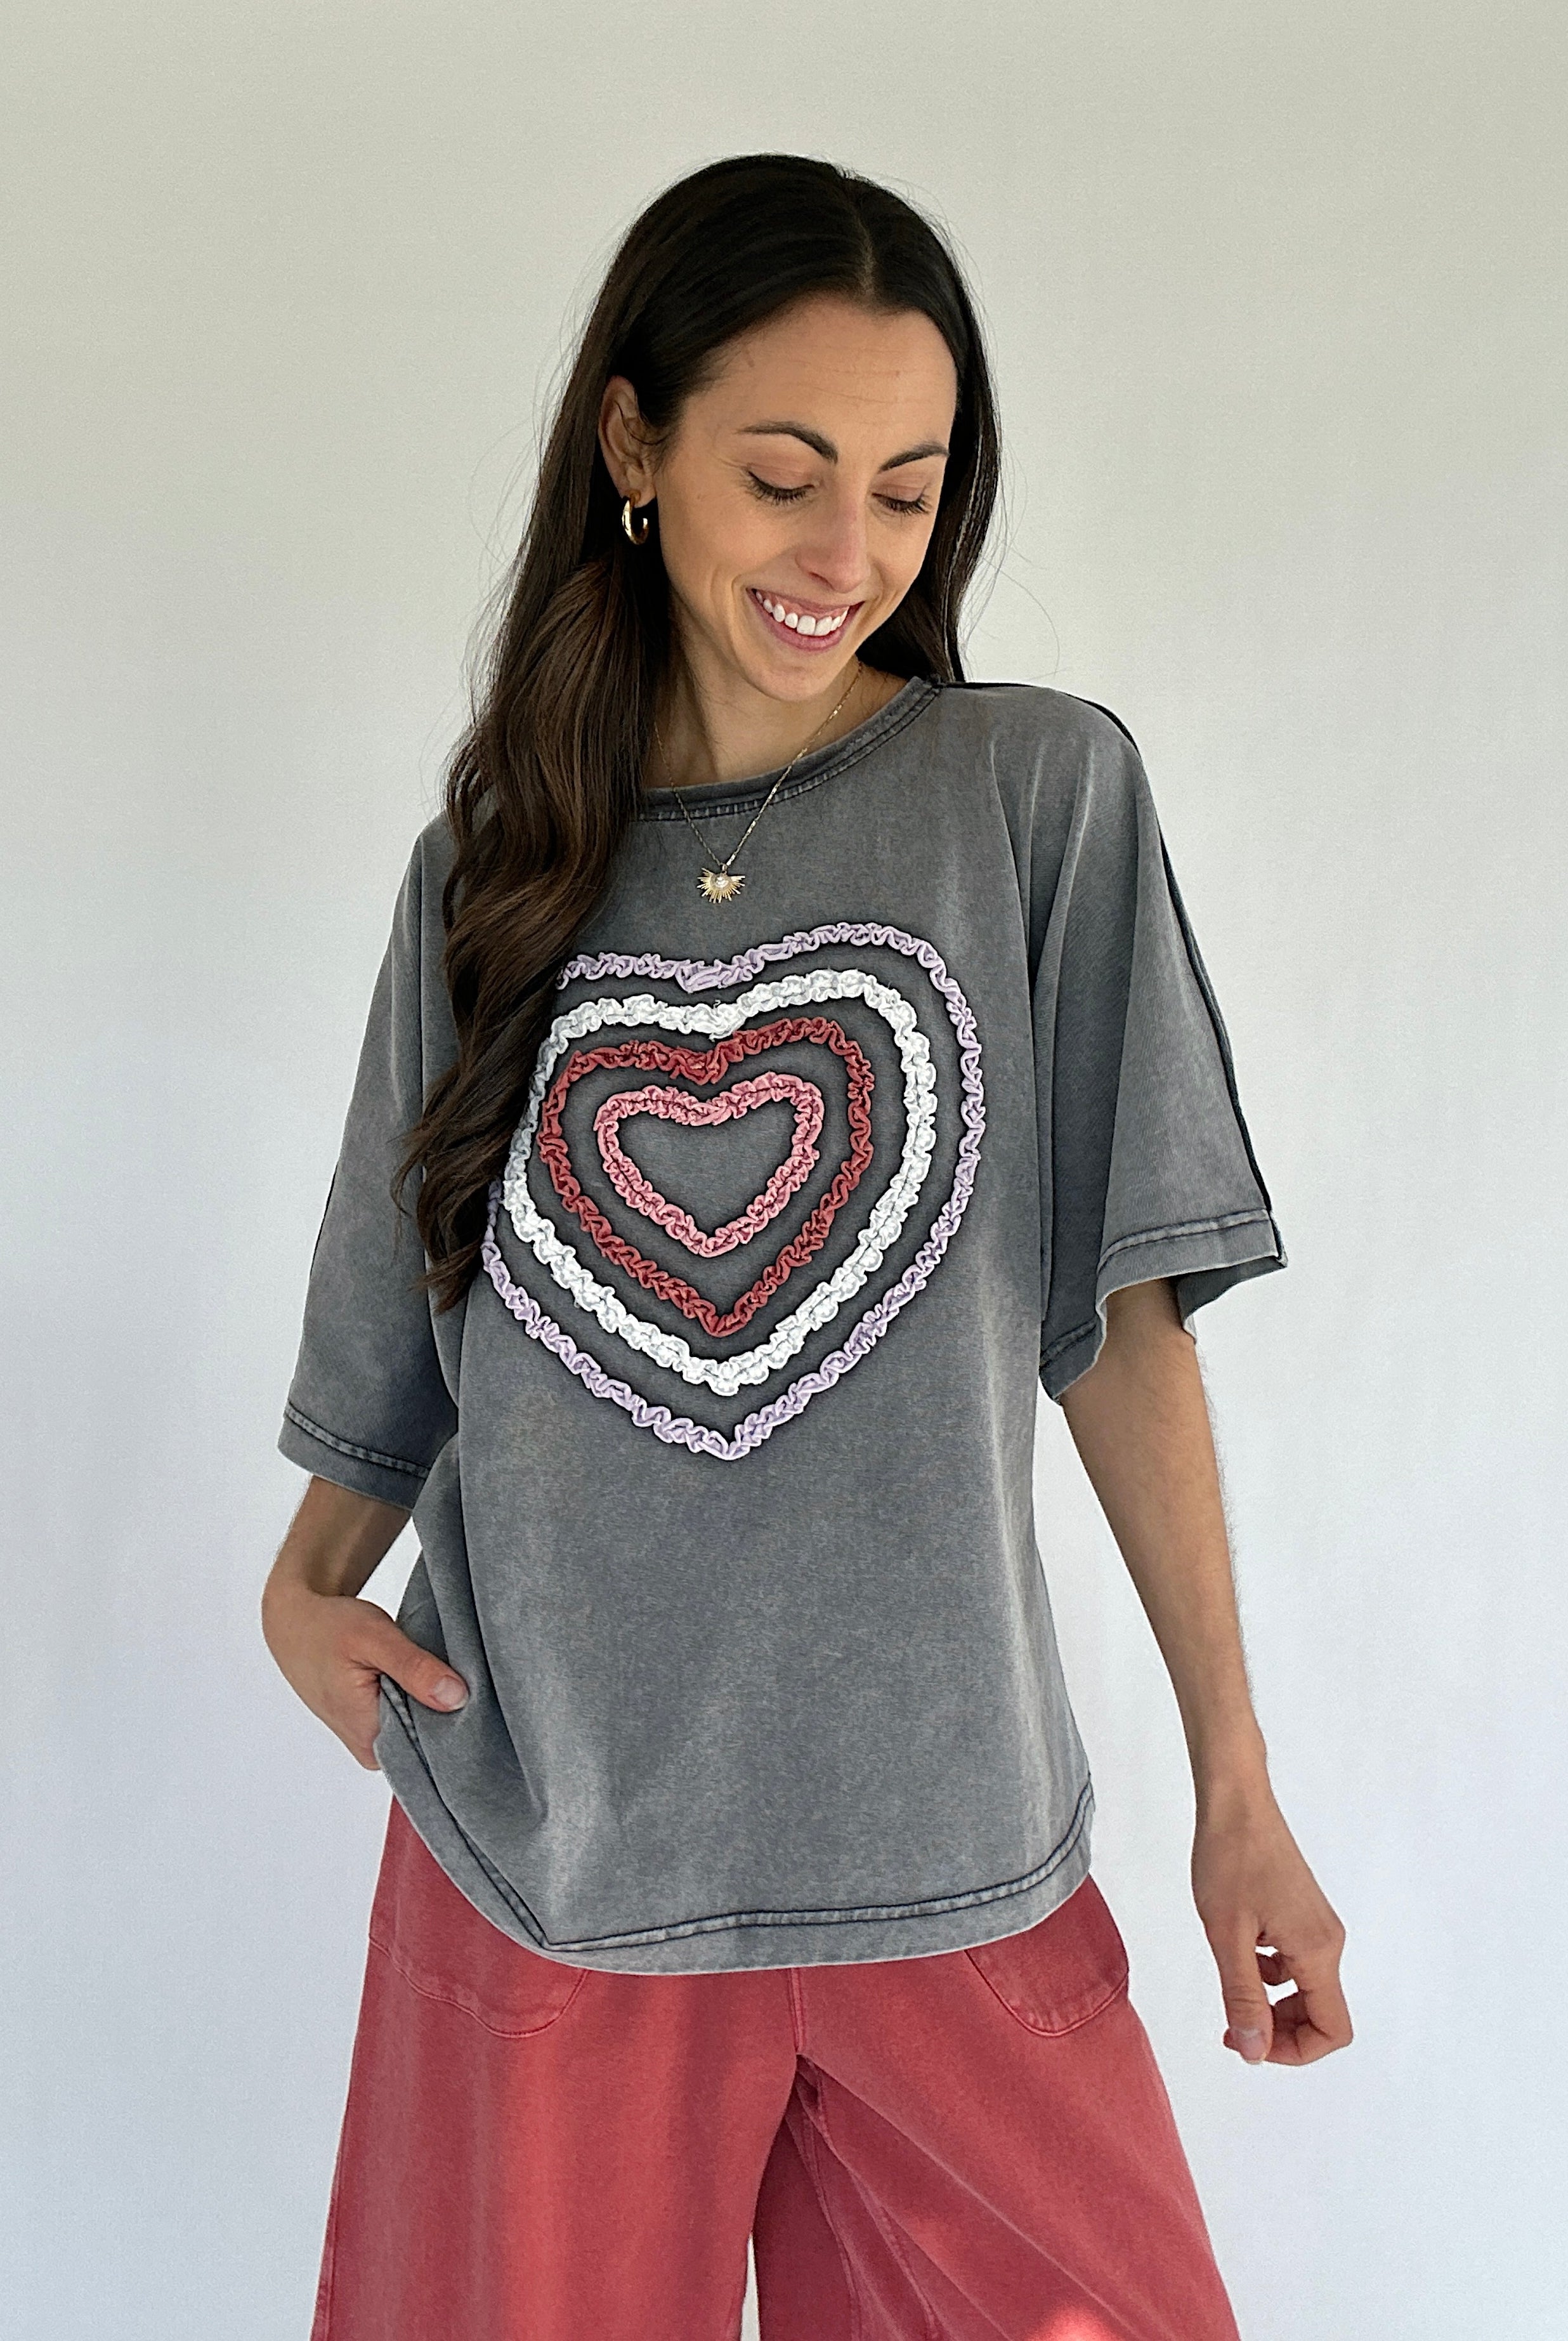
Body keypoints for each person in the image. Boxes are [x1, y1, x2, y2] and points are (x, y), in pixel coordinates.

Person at [263, 152, 1350, 2341]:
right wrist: (300, 1596)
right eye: (784, 475)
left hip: (948, 1849)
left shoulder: (1034, 800)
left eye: (909, 488)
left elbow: (1120, 1326)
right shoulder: (489, 872)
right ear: (636, 446)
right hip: (555, 1862)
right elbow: (406, 1339)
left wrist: (1241, 1789)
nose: (845, 552)